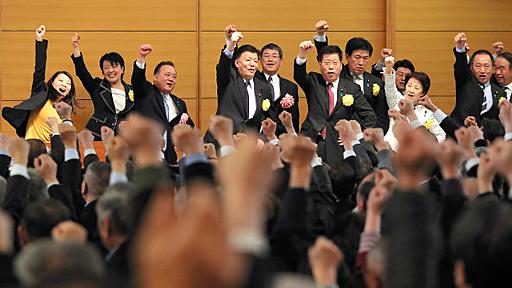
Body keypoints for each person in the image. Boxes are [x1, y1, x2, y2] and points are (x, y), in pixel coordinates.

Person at [293, 39, 376, 164]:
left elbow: (370, 116)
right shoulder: (313, 81)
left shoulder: (351, 88)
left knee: (338, 178)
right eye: (327, 63)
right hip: (312, 139)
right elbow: (299, 76)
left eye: (334, 63)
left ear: (341, 65)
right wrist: (302, 55)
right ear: (320, 64)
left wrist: (355, 135)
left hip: (338, 143)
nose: (331, 67)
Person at [2, 25, 79, 144]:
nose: (64, 84)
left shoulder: (64, 114)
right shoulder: (41, 95)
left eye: (68, 83)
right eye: (60, 80)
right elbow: (39, 69)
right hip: (31, 151)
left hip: (51, 156)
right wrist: (39, 41)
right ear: (52, 83)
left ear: (69, 91)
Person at [314, 20, 389, 133]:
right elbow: (327, 55)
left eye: (365, 58)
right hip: (339, 134)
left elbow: (380, 114)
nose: (361, 62)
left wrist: (375, 136)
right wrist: (320, 35)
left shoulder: (375, 82)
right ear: (347, 57)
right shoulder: (338, 74)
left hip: (366, 135)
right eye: (357, 57)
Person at [204, 25, 273, 141]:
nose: (252, 64)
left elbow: (264, 120)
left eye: (255, 61)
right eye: (248, 60)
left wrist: (260, 140)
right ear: (236, 63)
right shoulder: (229, 80)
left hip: (248, 145)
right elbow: (224, 66)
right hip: (222, 142)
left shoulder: (264, 87)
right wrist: (231, 45)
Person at [131, 44, 194, 165]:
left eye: (174, 76)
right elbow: (137, 80)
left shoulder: (180, 103)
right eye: (167, 75)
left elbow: (188, 127)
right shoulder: (146, 92)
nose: (171, 79)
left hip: (171, 156)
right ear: (155, 77)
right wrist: (142, 57)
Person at [71, 33, 135, 139]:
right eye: (106, 67)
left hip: (122, 139)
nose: (110, 70)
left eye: (114, 66)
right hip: (97, 135)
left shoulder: (131, 90)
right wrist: (76, 48)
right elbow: (82, 72)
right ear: (102, 71)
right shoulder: (97, 87)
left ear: (122, 69)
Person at [383, 57, 445, 150]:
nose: (411, 90)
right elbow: (390, 86)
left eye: (416, 88)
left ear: (423, 93)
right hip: (389, 150)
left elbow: (441, 135)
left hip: (412, 155)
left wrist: (427, 147)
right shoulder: (397, 101)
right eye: (409, 86)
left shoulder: (428, 113)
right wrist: (388, 67)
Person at [450, 32, 506, 124]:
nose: (482, 70)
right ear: (471, 68)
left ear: (493, 69)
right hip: (461, 133)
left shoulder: (500, 92)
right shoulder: (465, 81)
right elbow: (461, 66)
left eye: (487, 66)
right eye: (478, 66)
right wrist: (460, 49)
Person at [256, 42, 300, 135]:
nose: (270, 59)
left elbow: (294, 118)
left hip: (283, 138)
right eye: (266, 56)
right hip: (258, 137)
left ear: (281, 61)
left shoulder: (291, 87)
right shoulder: (253, 82)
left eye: (274, 56)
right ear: (260, 60)